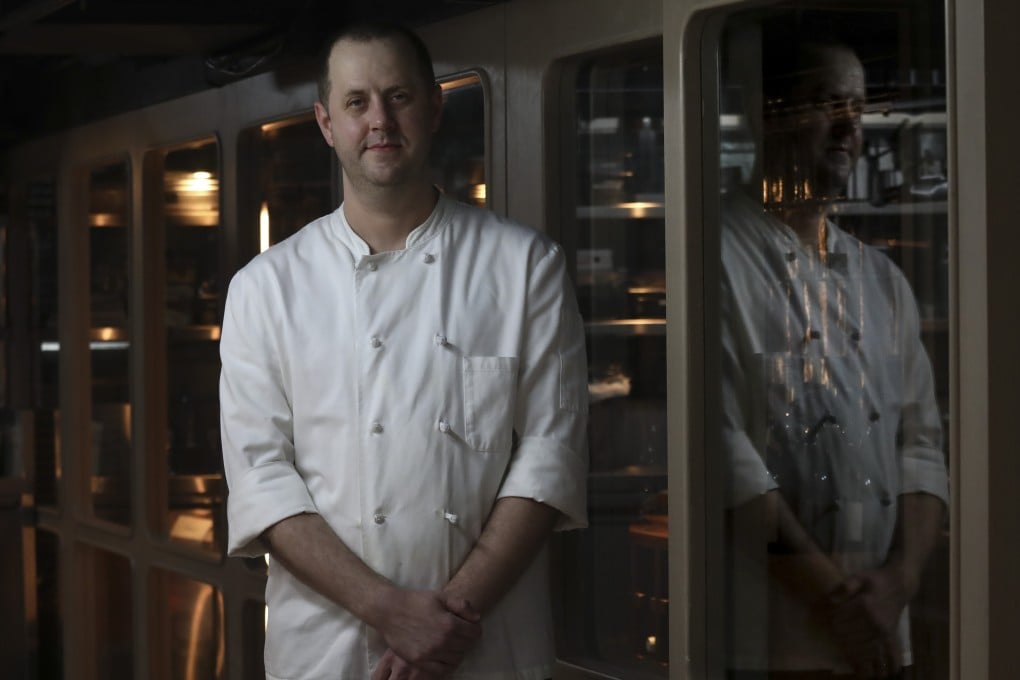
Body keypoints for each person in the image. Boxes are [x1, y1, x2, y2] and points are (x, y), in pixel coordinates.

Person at [219, 21, 589, 680]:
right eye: (357, 102)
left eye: (400, 96)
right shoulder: (265, 290)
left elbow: (547, 456)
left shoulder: (525, 265)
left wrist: (445, 625)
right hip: (327, 650)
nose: (380, 120)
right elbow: (262, 484)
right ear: (326, 122)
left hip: (483, 644)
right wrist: (390, 611)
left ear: (435, 106)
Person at [720, 25, 949, 680]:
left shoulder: (881, 280)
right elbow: (726, 459)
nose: (850, 127)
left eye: (858, 106)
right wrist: (833, 600)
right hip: (775, 643)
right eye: (827, 103)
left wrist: (899, 583)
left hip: (881, 637)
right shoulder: (715, 253)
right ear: (769, 115)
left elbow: (922, 446)